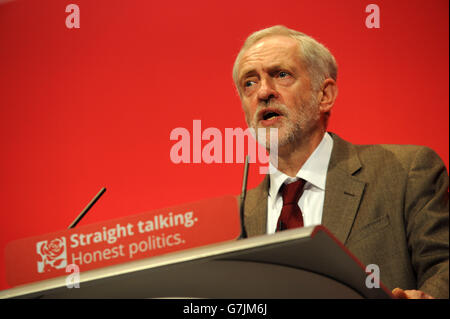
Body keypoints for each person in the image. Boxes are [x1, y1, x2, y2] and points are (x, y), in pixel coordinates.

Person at [233, 25, 449, 299]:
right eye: (249, 83)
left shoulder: (407, 172)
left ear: (325, 96)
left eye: (281, 74)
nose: (263, 92)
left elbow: (444, 266)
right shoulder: (237, 219)